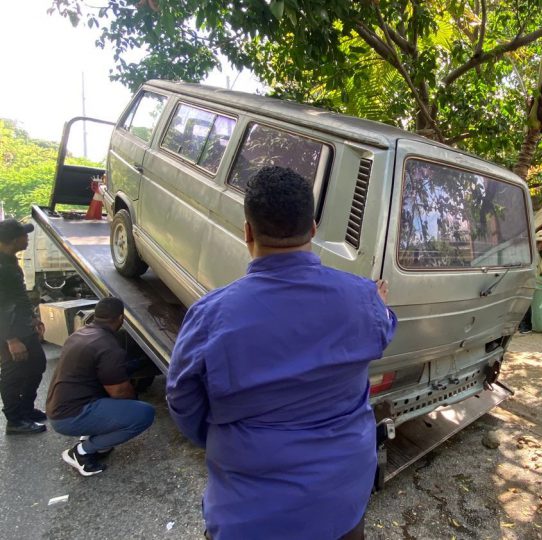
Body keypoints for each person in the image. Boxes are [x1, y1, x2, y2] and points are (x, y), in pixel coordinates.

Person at [167, 166, 398, 540]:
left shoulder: (210, 316)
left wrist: (220, 437)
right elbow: (383, 328)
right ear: (313, 229)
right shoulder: (363, 300)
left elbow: (183, 402)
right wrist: (373, 303)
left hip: (251, 514)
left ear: (247, 231)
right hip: (341, 502)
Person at [46, 297, 155, 476]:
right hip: (70, 416)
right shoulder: (108, 346)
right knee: (143, 414)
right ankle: (81, 452)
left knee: (123, 405)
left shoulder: (81, 334)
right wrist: (131, 405)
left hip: (60, 407)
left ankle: (94, 435)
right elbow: (120, 392)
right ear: (120, 318)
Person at [0, 218, 47, 434]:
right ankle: (15, 420)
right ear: (12, 240)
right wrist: (11, 339)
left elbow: (19, 297)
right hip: (9, 331)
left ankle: (26, 409)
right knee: (13, 373)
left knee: (36, 365)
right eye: (24, 235)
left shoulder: (9, 260)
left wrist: (33, 318)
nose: (27, 238)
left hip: (22, 325)